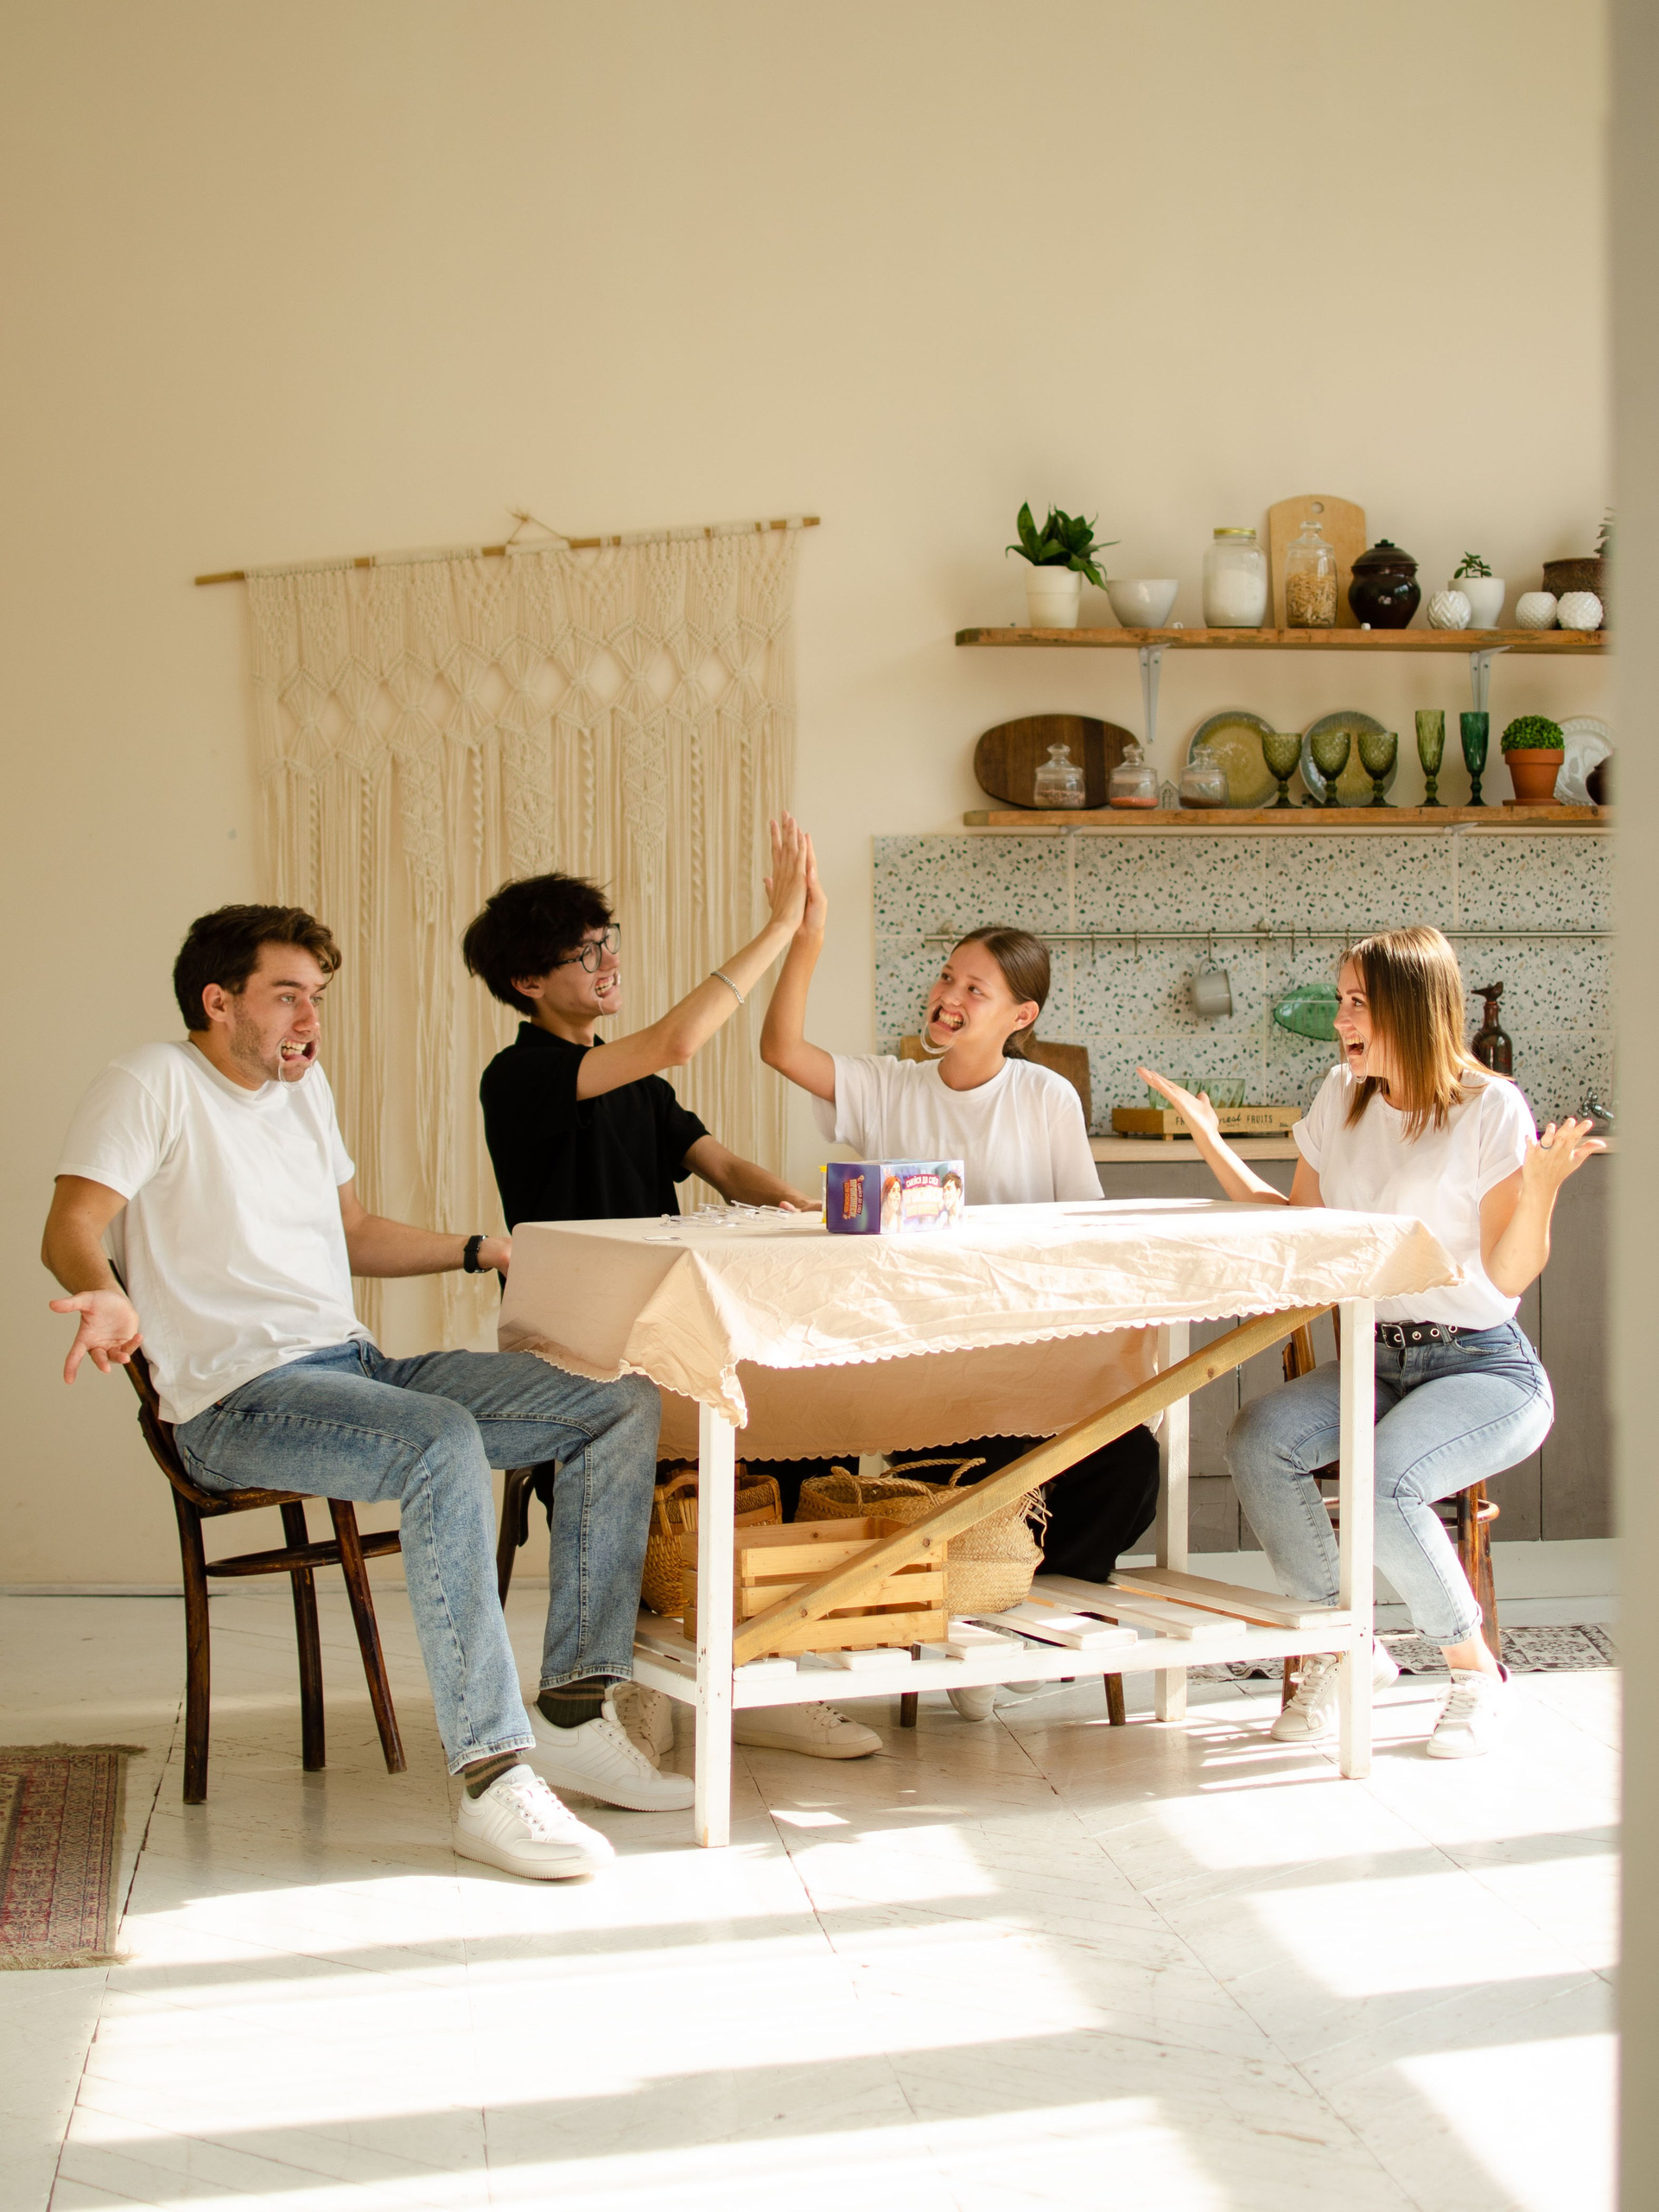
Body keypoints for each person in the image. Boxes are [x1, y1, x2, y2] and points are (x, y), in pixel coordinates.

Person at [42, 903, 693, 1885]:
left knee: (615, 1397)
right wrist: (103, 1291)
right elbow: (71, 1224)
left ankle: (571, 1710)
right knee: (440, 1441)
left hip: (353, 1370)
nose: (310, 1019)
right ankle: (491, 1774)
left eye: (318, 997)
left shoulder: (304, 1089)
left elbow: (352, 1233)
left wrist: (480, 1249)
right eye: (287, 997)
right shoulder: (152, 1082)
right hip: (235, 1400)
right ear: (218, 1002)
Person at [465, 817, 877, 1764]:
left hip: (662, 1322)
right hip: (578, 1342)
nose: (607, 962)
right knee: (652, 1481)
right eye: (584, 953)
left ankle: (765, 1674)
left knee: (796, 1427)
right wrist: (780, 929)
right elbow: (680, 1040)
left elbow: (721, 1164)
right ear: (528, 982)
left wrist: (800, 1202)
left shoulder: (639, 1089)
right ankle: (635, 1686)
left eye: (606, 941)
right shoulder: (519, 1077)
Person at [1142, 924, 1603, 1761]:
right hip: (1377, 1357)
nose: (1340, 1020)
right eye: (1341, 1000)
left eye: (1357, 1002)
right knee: (1259, 1437)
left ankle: (1474, 1673)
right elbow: (1303, 1225)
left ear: (1412, 1008)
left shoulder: (1490, 1106)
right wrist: (1209, 1138)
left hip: (1482, 1366)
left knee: (1384, 1484)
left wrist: (1539, 1190)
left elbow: (1505, 1275)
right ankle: (1343, 1646)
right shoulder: (1342, 1095)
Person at [760, 844, 1163, 1720]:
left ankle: (1023, 1621)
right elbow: (780, 1047)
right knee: (963, 1476)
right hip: (926, 1366)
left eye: (975, 989)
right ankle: (974, 1617)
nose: (949, 995)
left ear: (1020, 1015)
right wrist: (804, 934)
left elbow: (1085, 1229)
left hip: (1029, 1356)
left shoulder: (1046, 1097)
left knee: (1131, 1464)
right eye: (948, 976)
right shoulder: (887, 1086)